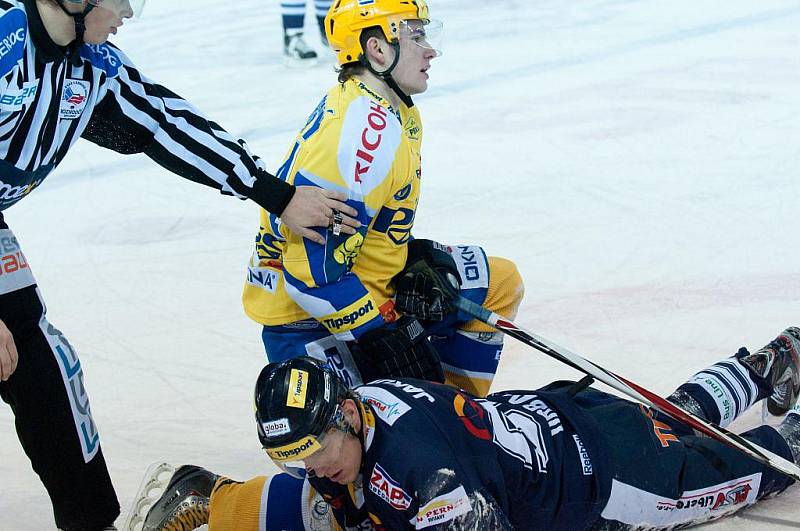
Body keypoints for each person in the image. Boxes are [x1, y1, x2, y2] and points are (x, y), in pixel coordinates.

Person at [0, 0, 360, 529]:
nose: (128, 11)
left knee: (39, 362)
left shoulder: (91, 64)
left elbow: (165, 124)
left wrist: (274, 193)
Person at [144, 327, 800, 530]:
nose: (314, 463)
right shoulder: (357, 410)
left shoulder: (427, 473)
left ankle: (790, 432)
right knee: (666, 416)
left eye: (315, 447)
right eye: (297, 453)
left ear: (344, 412)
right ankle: (760, 369)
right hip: (560, 418)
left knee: (741, 472)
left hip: (608, 482)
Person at [243, 0, 524, 405]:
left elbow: (364, 223)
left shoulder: (393, 110)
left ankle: (454, 416)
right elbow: (309, 275)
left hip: (358, 281)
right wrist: (380, 335)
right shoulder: (360, 137)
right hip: (308, 319)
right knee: (349, 459)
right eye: (416, 35)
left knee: (499, 281)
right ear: (377, 48)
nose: (431, 49)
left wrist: (409, 256)